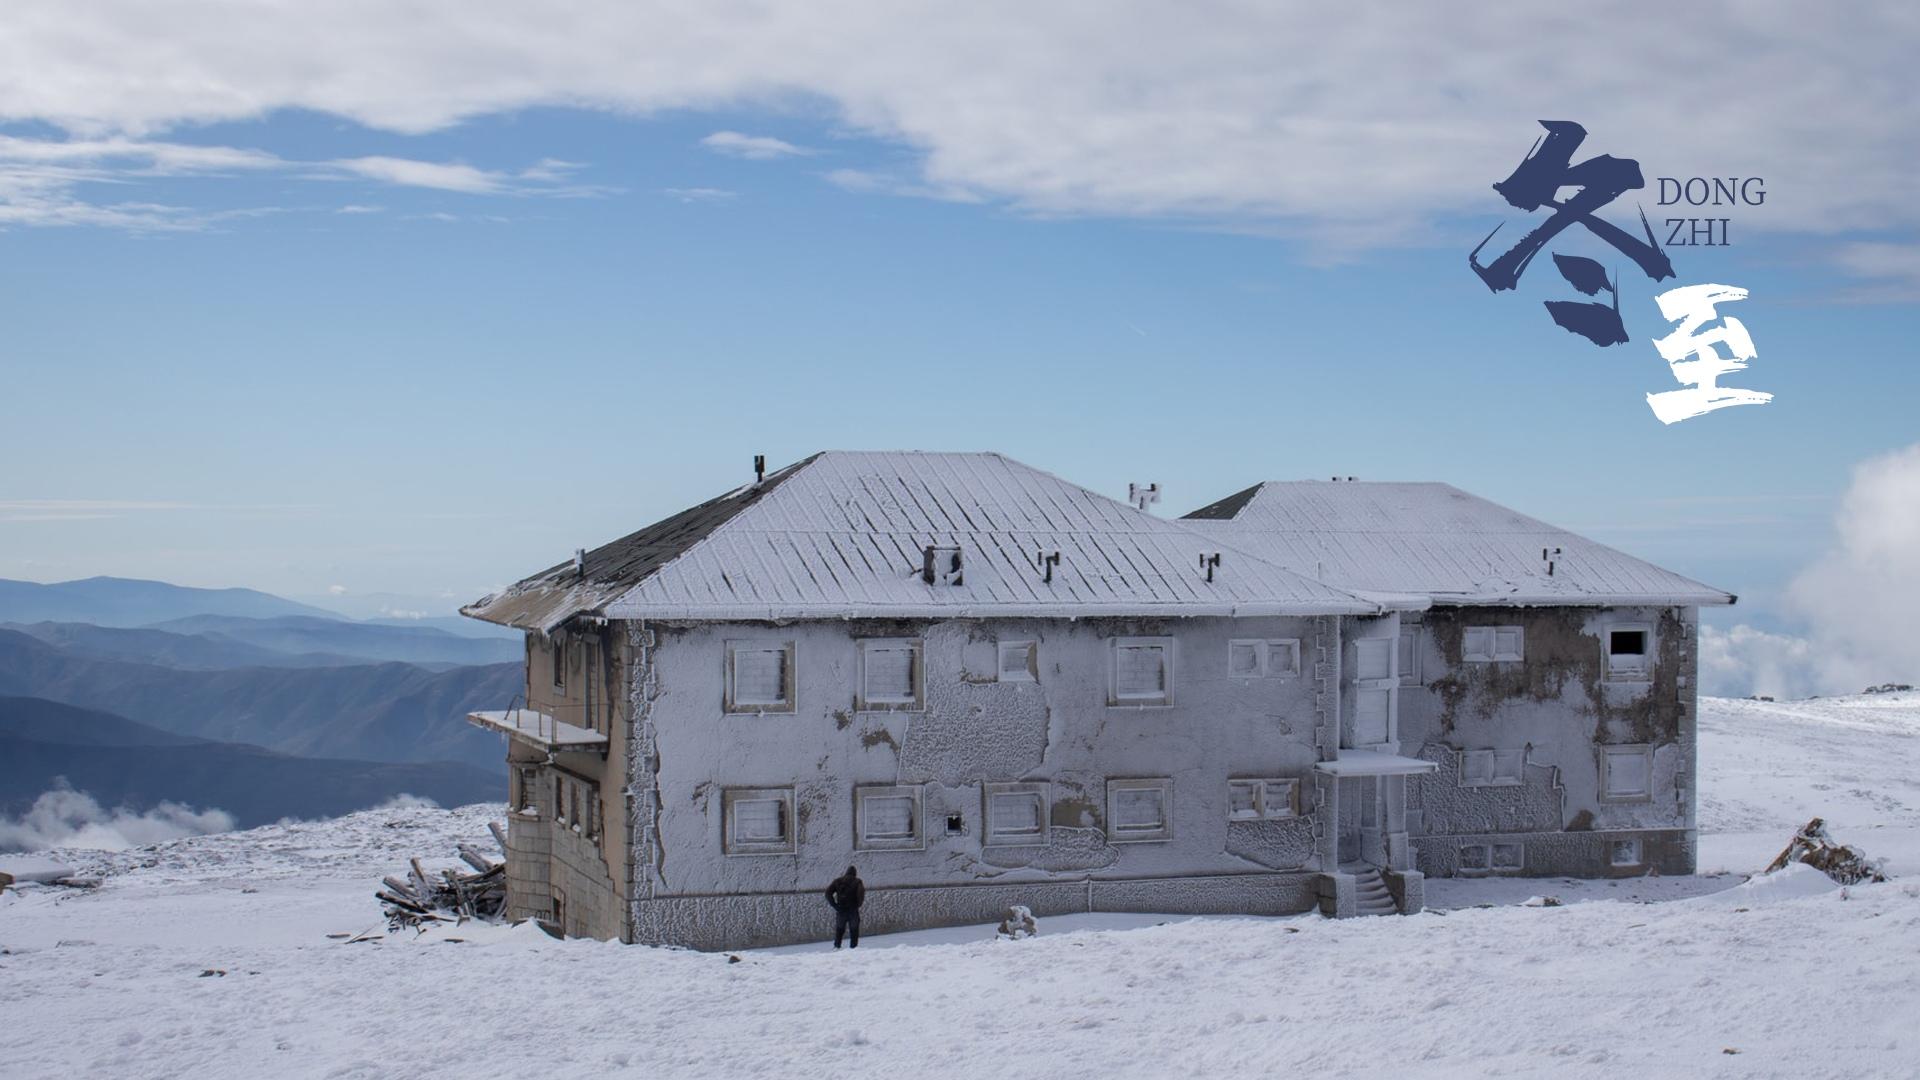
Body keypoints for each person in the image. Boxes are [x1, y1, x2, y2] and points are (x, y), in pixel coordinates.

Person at [825, 865, 865, 948]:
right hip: (853, 909)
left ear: (846, 872)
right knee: (854, 930)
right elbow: (861, 894)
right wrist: (858, 905)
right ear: (855, 873)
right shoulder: (857, 881)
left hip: (841, 909)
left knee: (839, 929)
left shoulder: (837, 881)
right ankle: (853, 948)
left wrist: (834, 905)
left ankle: (837, 946)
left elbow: (828, 893)